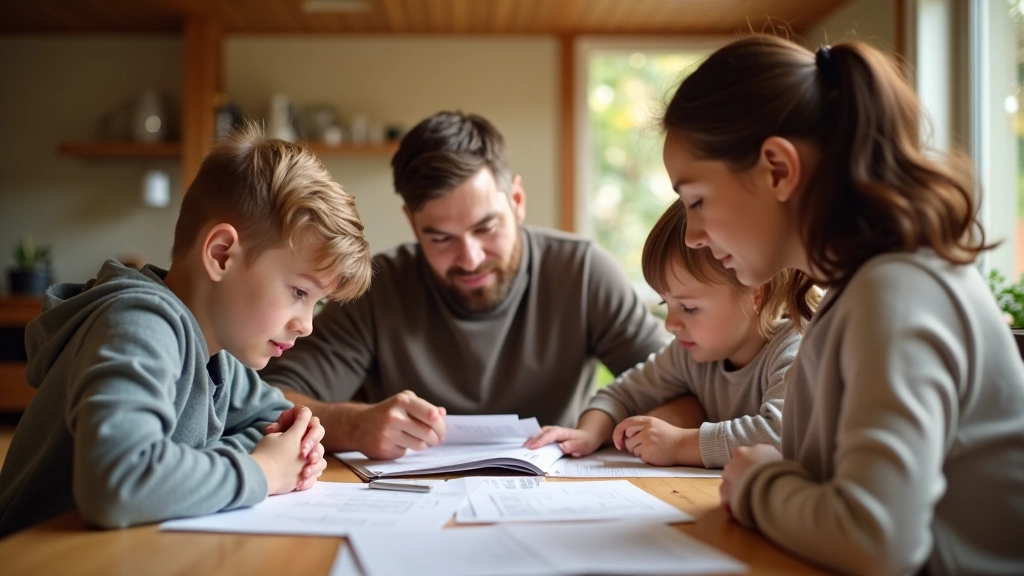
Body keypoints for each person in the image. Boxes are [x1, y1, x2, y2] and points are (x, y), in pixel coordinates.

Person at [659, 35, 1024, 575]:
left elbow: (875, 541)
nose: (691, 236)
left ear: (778, 170)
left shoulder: (898, 293)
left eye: (696, 201)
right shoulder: (855, 292)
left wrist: (757, 482)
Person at [0, 125, 373, 537]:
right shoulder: (140, 324)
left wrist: (292, 446)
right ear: (221, 254)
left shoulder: (219, 358)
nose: (306, 324)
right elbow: (117, 483)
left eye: (316, 302)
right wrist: (263, 470)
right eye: (299, 291)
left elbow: (276, 421)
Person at [261, 111, 671, 459]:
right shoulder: (379, 290)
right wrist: (353, 426)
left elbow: (684, 383)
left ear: (517, 200)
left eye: (486, 227)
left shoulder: (581, 273)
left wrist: (606, 427)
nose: (470, 258)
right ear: (412, 223)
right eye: (440, 238)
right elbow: (270, 400)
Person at [525, 200, 818, 468]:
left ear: (756, 294)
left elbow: (782, 435)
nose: (670, 324)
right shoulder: (689, 353)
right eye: (667, 304)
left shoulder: (796, 348)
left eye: (688, 308)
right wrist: (586, 433)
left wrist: (679, 444)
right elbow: (621, 394)